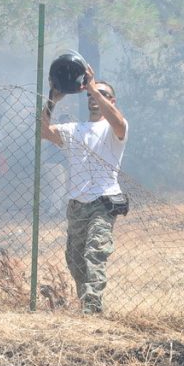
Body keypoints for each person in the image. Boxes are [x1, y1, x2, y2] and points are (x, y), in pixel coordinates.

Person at [41, 64, 127, 314]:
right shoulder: (74, 129)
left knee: (95, 253)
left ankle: (92, 310)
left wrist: (92, 86)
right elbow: (43, 131)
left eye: (101, 94)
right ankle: (87, 305)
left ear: (112, 100)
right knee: (75, 260)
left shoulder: (115, 128)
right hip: (77, 204)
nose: (93, 99)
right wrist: (51, 100)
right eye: (89, 95)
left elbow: (118, 122)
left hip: (103, 201)